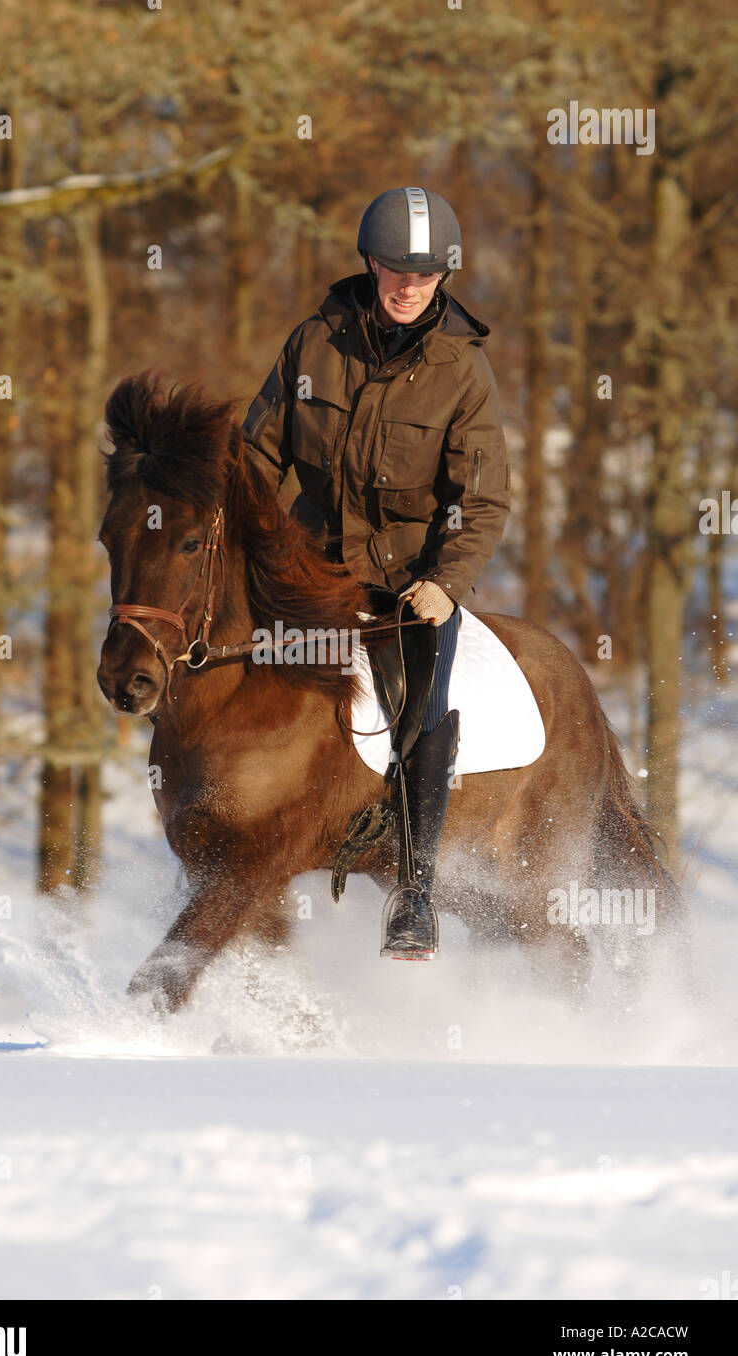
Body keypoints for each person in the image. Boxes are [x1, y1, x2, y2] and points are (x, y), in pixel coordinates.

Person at [241, 186, 510, 957]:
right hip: (309, 571)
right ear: (369, 261)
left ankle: (414, 892)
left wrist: (445, 584)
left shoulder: (462, 369)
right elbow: (258, 455)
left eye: (423, 273)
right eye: (395, 268)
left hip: (410, 583)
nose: (407, 285)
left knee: (420, 707)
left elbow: (484, 498)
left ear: (441, 277)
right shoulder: (313, 342)